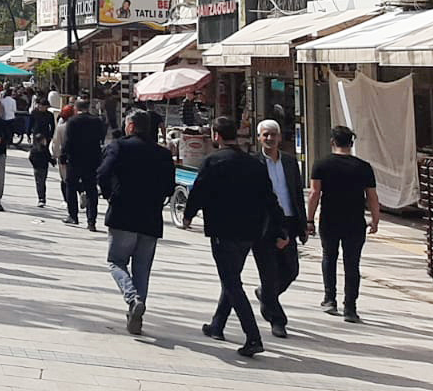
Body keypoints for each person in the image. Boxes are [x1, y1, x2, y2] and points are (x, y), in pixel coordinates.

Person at [182, 116, 288, 358]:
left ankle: (253, 336)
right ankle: (217, 325)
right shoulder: (254, 164)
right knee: (231, 277)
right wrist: (281, 227)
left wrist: (188, 215)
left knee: (231, 282)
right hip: (250, 232)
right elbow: (270, 199)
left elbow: (199, 191)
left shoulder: (213, 161)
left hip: (223, 230)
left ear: (216, 135)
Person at [97, 109, 177, 335]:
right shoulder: (163, 154)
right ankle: (137, 311)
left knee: (116, 261)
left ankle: (132, 299)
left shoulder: (119, 147)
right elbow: (170, 187)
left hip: (123, 214)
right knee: (142, 268)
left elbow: (102, 173)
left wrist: (109, 194)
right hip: (150, 218)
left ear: (130, 126)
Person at [308, 127, 380, 323]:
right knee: (352, 264)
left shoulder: (321, 164)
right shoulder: (364, 167)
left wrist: (309, 220)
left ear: (332, 142)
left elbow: (314, 194)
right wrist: (375, 219)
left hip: (329, 219)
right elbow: (372, 196)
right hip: (355, 221)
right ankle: (350, 307)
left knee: (329, 257)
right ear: (351, 143)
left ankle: (329, 299)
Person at [253, 118, 307, 337]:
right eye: (265, 134)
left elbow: (297, 194)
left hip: (289, 221)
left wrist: (304, 224)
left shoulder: (290, 162)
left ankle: (266, 295)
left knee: (291, 270)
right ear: (259, 138)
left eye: (273, 134)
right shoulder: (254, 163)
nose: (269, 138)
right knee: (269, 273)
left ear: (280, 138)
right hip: (264, 225)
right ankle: (277, 319)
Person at [61, 96, 107, 230]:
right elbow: (101, 137)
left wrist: (63, 156)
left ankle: (73, 215)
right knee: (91, 189)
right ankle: (91, 221)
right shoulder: (97, 121)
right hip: (92, 159)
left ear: (76, 108)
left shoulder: (72, 121)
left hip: (75, 159)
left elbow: (68, 140)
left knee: (71, 185)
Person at [28, 96, 56, 208]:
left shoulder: (49, 115)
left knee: (44, 153)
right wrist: (28, 133)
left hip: (46, 136)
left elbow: (52, 126)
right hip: (36, 136)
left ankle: (42, 197)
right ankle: (41, 197)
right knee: (39, 153)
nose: (41, 107)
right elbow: (30, 124)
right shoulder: (34, 113)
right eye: (40, 105)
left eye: (44, 106)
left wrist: (51, 136)